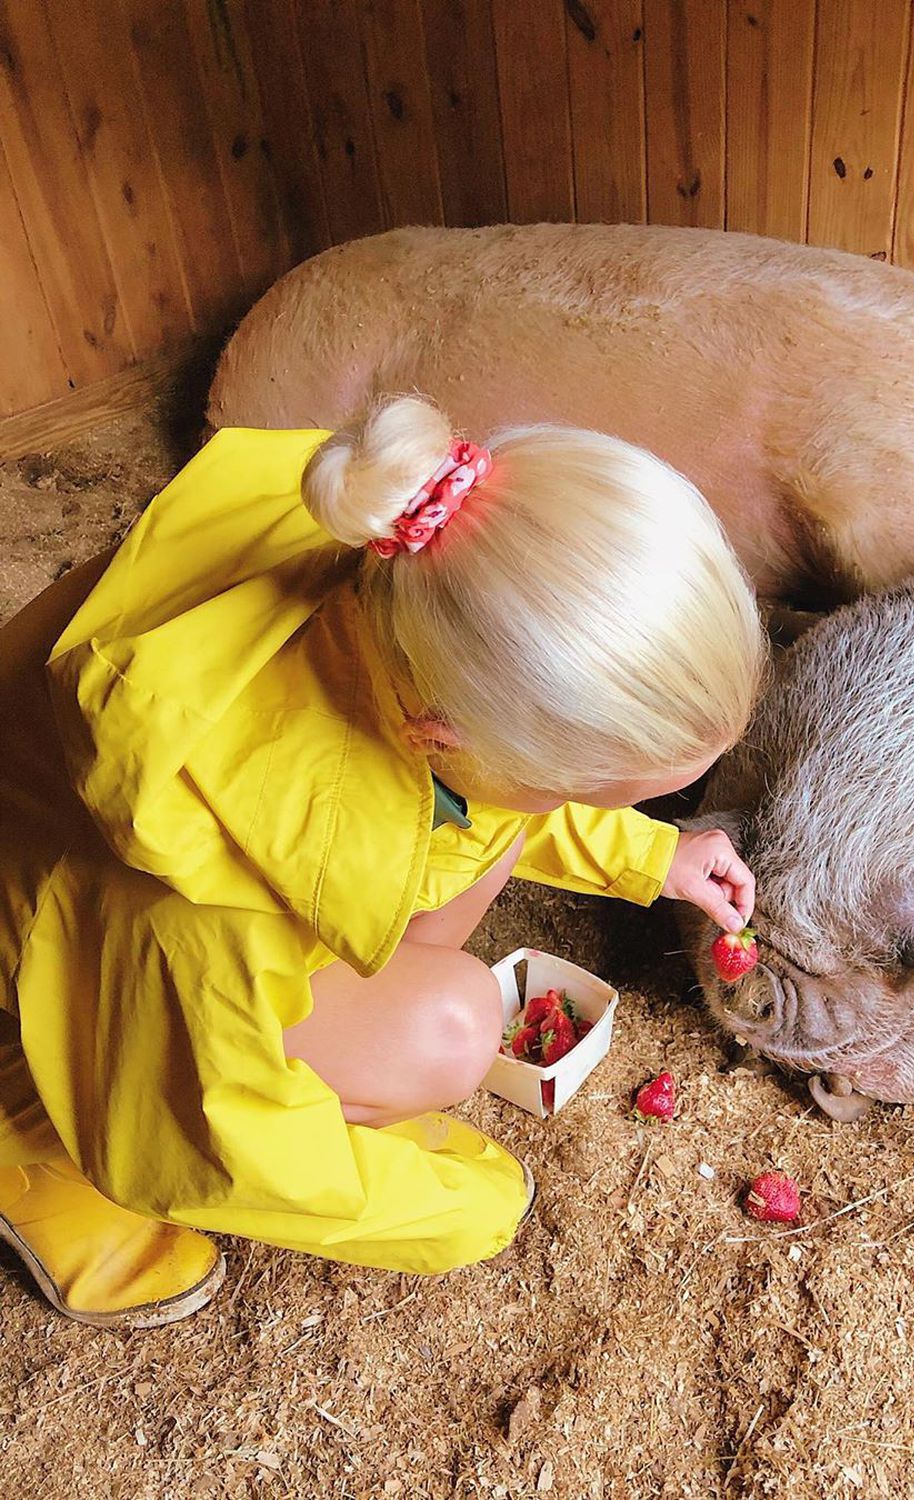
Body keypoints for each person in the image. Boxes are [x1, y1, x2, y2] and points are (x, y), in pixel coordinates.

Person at [0, 396, 764, 1327]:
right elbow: (206, 1134)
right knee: (448, 1028)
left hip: (153, 892)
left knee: (487, 868)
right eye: (598, 790)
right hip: (86, 946)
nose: (614, 809)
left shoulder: (416, 574)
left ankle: (336, 1030)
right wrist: (467, 1208)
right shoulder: (194, 888)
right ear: (442, 738)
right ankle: (28, 1144)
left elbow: (483, 802)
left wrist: (651, 853)